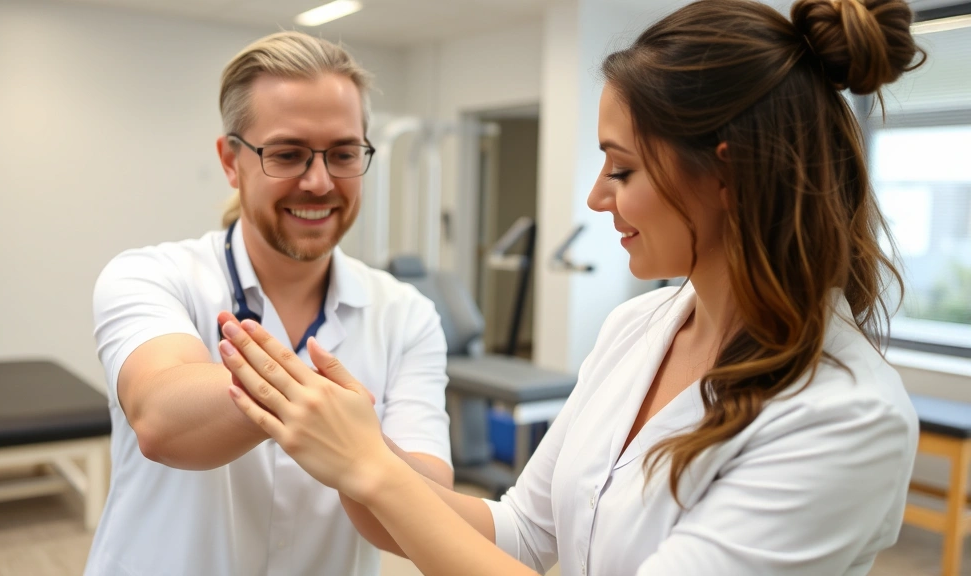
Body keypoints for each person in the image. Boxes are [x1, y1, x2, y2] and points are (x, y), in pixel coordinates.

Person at [216, 0, 926, 574]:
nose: (595, 197)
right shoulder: (638, 329)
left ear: (726, 174)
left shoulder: (845, 418)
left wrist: (373, 469)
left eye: (622, 169)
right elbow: (521, 533)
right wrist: (354, 452)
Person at [84, 31, 454, 576]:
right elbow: (161, 419)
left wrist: (360, 452)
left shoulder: (406, 314)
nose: (320, 182)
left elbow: (432, 506)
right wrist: (335, 414)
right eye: (288, 154)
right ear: (230, 161)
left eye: (344, 154)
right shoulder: (152, 276)